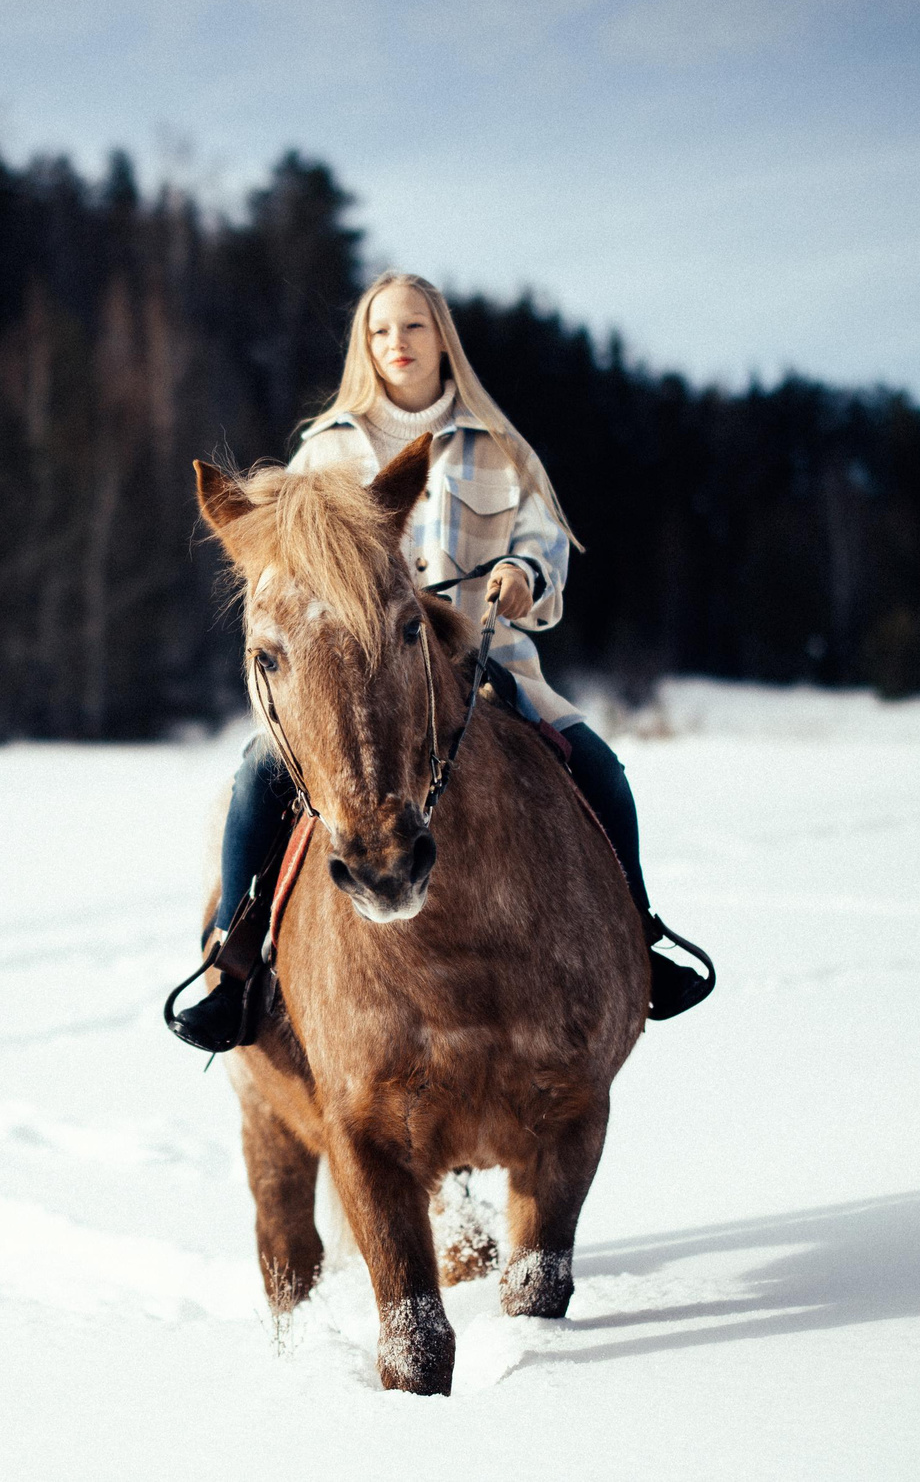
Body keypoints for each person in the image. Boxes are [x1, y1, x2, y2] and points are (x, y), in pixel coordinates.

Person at [171, 271, 710, 1053]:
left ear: (441, 338)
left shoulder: (495, 443)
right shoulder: (323, 449)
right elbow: (283, 567)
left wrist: (525, 574)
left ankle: (642, 937)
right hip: (363, 671)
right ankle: (233, 962)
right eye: (382, 330)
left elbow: (544, 533)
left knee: (597, 766)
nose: (398, 343)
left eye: (415, 327)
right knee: (260, 772)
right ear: (365, 345)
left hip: (485, 658)